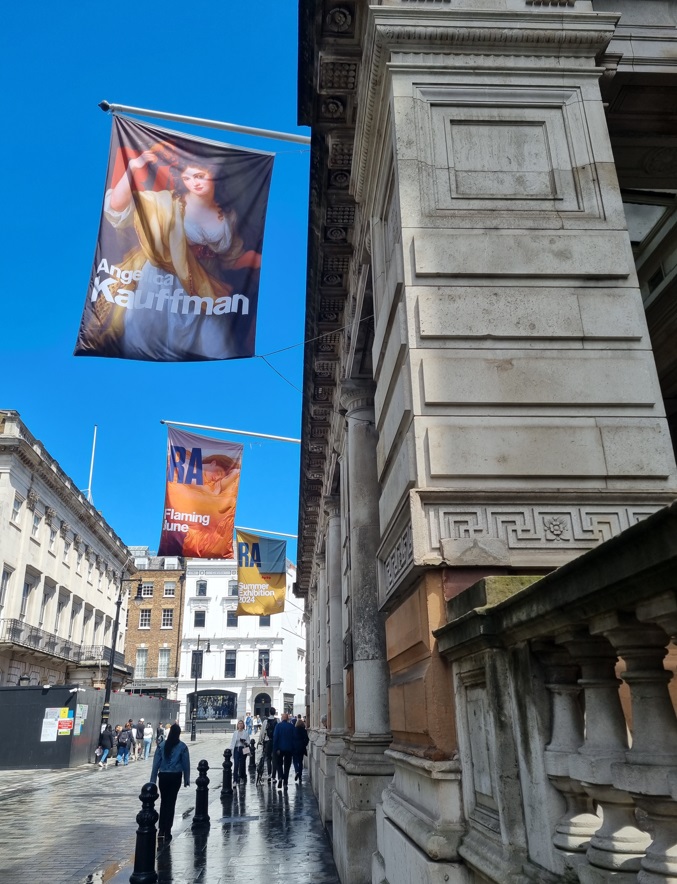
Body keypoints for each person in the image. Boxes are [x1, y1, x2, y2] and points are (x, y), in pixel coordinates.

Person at [95, 144, 261, 361]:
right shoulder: (166, 203)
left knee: (220, 349)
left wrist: (260, 260)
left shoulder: (228, 216)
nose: (195, 183)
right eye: (188, 178)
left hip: (205, 290)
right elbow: (117, 207)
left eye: (200, 176)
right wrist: (133, 168)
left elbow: (232, 259)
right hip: (163, 285)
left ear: (214, 176)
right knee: (140, 343)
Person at [150, 723, 190, 843]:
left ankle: (161, 829)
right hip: (175, 776)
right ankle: (168, 830)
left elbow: (156, 764)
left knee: (164, 802)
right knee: (171, 803)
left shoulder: (161, 746)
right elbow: (186, 764)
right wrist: (186, 779)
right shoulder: (182, 747)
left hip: (163, 776)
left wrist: (152, 780)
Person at [272, 713, 295, 790]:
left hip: (280, 749)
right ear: (287, 718)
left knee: (279, 764)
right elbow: (294, 738)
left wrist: (275, 749)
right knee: (287, 766)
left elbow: (275, 737)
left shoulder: (278, 726)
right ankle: (285, 782)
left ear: (282, 718)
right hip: (289, 749)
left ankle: (280, 777)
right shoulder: (291, 726)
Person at [257, 706, 278, 782]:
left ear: (269, 712)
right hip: (275, 742)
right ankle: (273, 777)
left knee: (268, 758)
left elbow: (262, 732)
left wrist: (260, 741)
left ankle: (269, 774)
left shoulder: (265, 721)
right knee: (274, 759)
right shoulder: (277, 721)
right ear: (274, 713)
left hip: (267, 741)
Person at [230, 720, 250, 786]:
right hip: (236, 749)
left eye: (241, 724)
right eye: (239, 724)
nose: (240, 725)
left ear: (243, 725)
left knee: (242, 764)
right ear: (237, 725)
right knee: (236, 764)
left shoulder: (246, 732)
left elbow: (248, 741)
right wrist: (230, 749)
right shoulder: (235, 732)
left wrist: (245, 742)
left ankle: (241, 777)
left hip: (243, 748)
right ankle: (235, 780)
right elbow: (233, 741)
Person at [292, 717, 309, 785]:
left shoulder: (294, 730)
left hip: (294, 747)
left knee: (295, 761)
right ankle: (300, 776)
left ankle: (297, 771)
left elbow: (291, 738)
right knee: (300, 761)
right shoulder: (304, 730)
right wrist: (304, 744)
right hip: (301, 747)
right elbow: (307, 739)